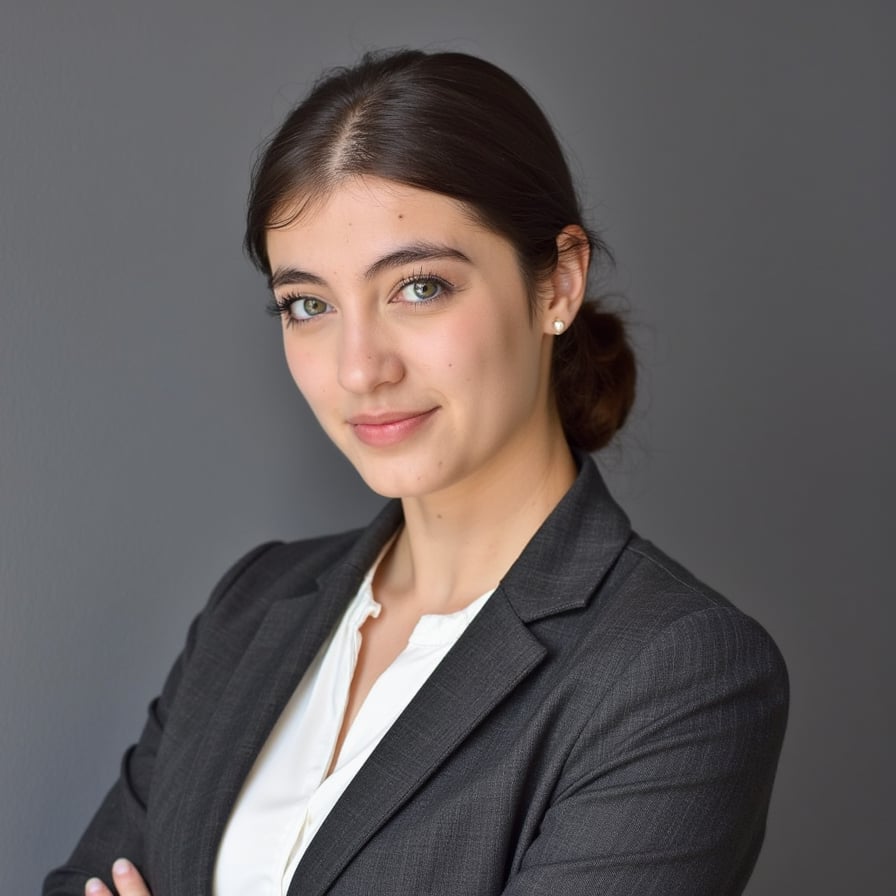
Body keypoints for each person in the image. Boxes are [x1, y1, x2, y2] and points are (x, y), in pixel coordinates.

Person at [44, 49, 788, 896]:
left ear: (559, 282)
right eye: (309, 305)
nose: (359, 369)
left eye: (420, 288)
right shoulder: (251, 606)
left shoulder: (678, 671)